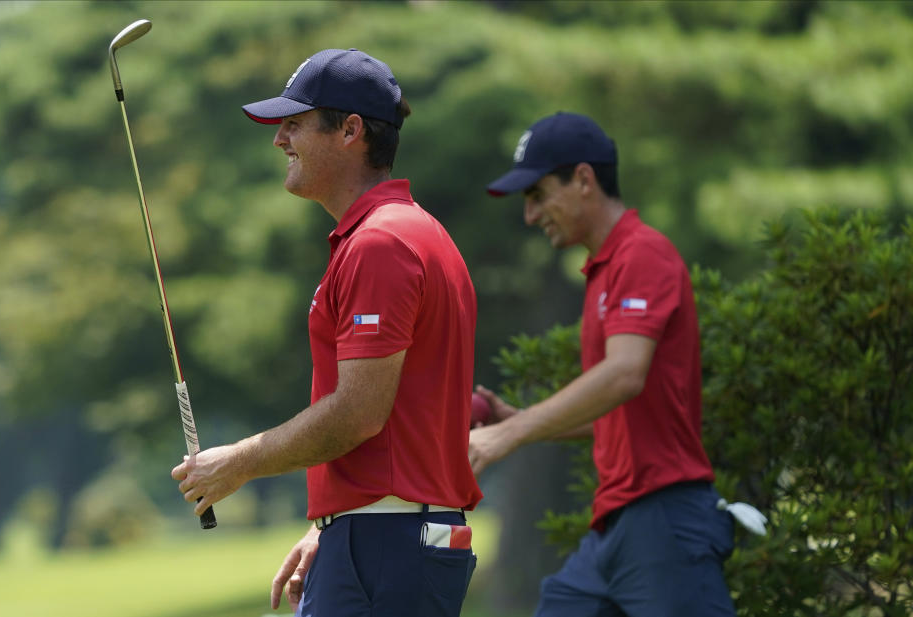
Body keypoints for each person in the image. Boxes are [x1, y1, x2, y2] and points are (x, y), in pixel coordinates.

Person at [171, 48, 482, 617]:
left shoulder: (381, 243)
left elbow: (360, 413)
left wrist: (237, 462)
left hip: (389, 545)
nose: (279, 140)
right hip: (392, 538)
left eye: (294, 123)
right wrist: (336, 528)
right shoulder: (412, 231)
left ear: (351, 131)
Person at [469, 112, 737, 616]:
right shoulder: (605, 270)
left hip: (664, 519)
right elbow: (617, 405)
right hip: (617, 528)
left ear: (584, 180)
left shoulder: (642, 254)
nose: (530, 215)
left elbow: (624, 374)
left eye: (538, 194)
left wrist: (513, 433)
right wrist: (525, 423)